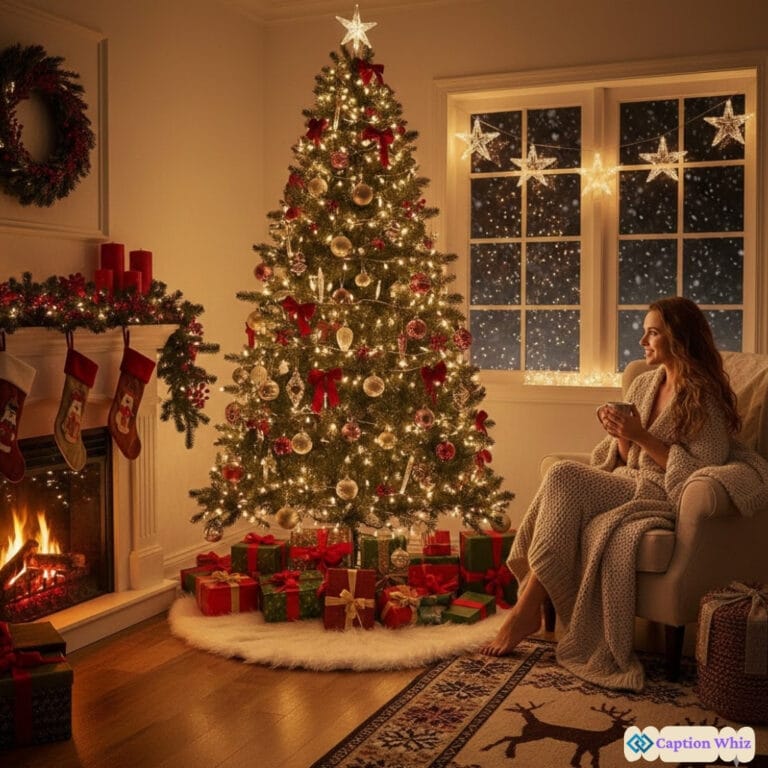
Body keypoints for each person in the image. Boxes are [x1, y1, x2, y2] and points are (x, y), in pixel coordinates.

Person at [480, 296, 743, 691]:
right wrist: (620, 435)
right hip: (629, 481)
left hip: (663, 493)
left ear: (679, 338)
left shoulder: (704, 397)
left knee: (565, 474)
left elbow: (703, 470)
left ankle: (526, 607)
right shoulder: (643, 383)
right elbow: (622, 460)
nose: (643, 341)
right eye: (646, 331)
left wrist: (640, 435)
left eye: (653, 332)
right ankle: (530, 606)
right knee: (562, 476)